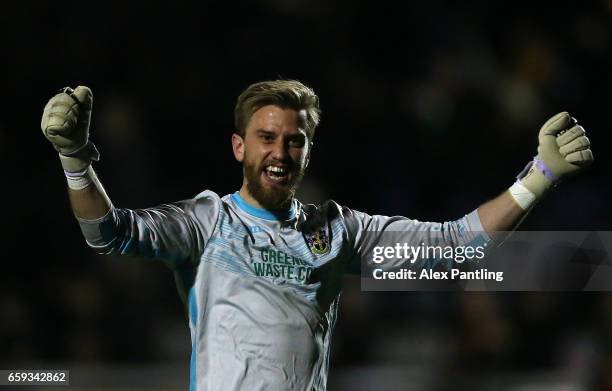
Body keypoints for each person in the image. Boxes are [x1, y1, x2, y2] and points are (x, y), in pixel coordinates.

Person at [40, 80, 593, 390]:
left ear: (309, 150)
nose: (280, 153)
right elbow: (108, 234)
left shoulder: (338, 230)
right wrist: (74, 159)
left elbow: (455, 249)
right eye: (267, 138)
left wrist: (538, 178)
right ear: (240, 147)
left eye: (295, 141)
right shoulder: (208, 222)